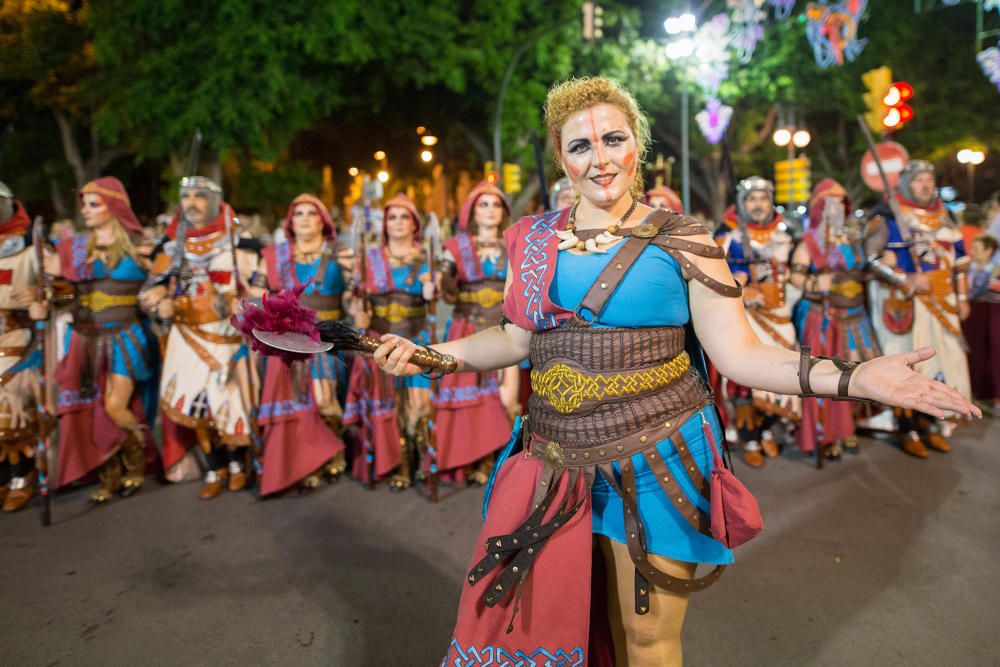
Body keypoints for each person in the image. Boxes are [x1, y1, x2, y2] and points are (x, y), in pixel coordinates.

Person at [364, 77, 977, 665]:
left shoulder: (685, 239)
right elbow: (517, 337)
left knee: (648, 638)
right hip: (552, 459)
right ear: (561, 156)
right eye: (580, 145)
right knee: (578, 625)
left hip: (657, 460)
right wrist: (436, 357)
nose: (600, 159)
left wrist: (857, 376)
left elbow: (740, 355)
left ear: (638, 144)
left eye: (614, 139)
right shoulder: (534, 238)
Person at [138, 176, 259, 498]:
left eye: (199, 196)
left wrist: (244, 300)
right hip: (186, 335)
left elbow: (260, 286)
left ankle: (238, 463)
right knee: (195, 405)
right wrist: (158, 300)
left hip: (226, 334)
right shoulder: (172, 246)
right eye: (186, 196)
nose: (191, 203)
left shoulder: (238, 240)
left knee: (229, 401)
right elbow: (149, 290)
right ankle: (214, 465)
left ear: (215, 201)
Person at [44, 177, 158, 504]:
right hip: (83, 337)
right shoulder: (75, 248)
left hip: (126, 335)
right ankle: (108, 473)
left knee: (114, 406)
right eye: (84, 204)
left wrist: (159, 293)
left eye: (93, 204)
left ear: (115, 206)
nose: (85, 210)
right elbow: (54, 284)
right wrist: (45, 296)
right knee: (89, 408)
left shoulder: (140, 245)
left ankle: (136, 462)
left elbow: (163, 280)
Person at [866, 160, 972, 457]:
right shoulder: (885, 217)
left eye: (929, 179)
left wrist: (962, 298)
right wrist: (904, 277)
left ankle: (930, 422)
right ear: (905, 184)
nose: (925, 185)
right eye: (918, 180)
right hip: (907, 305)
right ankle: (907, 428)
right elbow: (870, 260)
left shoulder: (945, 217)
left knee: (941, 364)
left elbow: (960, 264)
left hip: (943, 303)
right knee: (909, 364)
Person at [253, 194, 351, 494]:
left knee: (324, 402)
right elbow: (257, 290)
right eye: (299, 214)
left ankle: (333, 450)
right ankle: (307, 464)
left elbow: (354, 291)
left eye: (312, 213)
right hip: (285, 339)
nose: (305, 218)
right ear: (290, 222)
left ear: (324, 221)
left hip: (327, 337)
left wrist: (355, 294)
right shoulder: (273, 255)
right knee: (296, 403)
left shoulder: (339, 251)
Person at [342, 193, 434, 491]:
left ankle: (422, 459)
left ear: (414, 223)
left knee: (419, 406)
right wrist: (356, 308)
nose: (398, 222)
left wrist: (433, 290)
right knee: (390, 403)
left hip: (416, 335)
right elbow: (352, 297)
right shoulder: (370, 259)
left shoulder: (426, 256)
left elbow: (441, 293)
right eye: (392, 217)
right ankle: (402, 465)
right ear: (385, 224)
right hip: (379, 338)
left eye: (404, 217)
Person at [789, 180, 881, 460]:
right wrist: (816, 283)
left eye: (841, 203)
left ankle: (846, 429)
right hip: (822, 318)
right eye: (830, 203)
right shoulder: (809, 243)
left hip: (855, 316)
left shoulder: (853, 239)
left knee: (857, 374)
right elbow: (795, 276)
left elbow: (866, 270)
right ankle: (826, 433)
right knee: (826, 377)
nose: (837, 208)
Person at [434, 182, 518, 484]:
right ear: (471, 211)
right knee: (472, 400)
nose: (490, 210)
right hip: (467, 327)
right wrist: (439, 279)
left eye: (496, 205)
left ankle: (503, 464)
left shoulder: (514, 242)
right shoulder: (455, 247)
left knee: (505, 401)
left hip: (507, 331)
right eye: (483, 204)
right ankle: (476, 461)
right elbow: (445, 284)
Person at [715, 177, 799, 467]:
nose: (758, 205)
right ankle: (749, 435)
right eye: (751, 200)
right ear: (741, 203)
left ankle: (767, 431)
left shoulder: (785, 231)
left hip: (781, 314)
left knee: (782, 371)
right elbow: (713, 274)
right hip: (746, 315)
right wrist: (741, 288)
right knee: (748, 378)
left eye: (763, 198)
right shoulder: (728, 234)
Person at [0, 181, 44, 512]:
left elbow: (59, 287)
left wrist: (40, 298)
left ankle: (21, 474)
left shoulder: (29, 245)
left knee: (9, 410)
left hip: (15, 338)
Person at [963, 233, 1000, 408]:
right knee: (974, 352)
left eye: (976, 249)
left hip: (987, 313)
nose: (972, 252)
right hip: (975, 314)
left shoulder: (992, 270)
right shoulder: (972, 268)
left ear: (988, 251)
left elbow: (977, 291)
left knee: (988, 352)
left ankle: (989, 393)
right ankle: (977, 391)